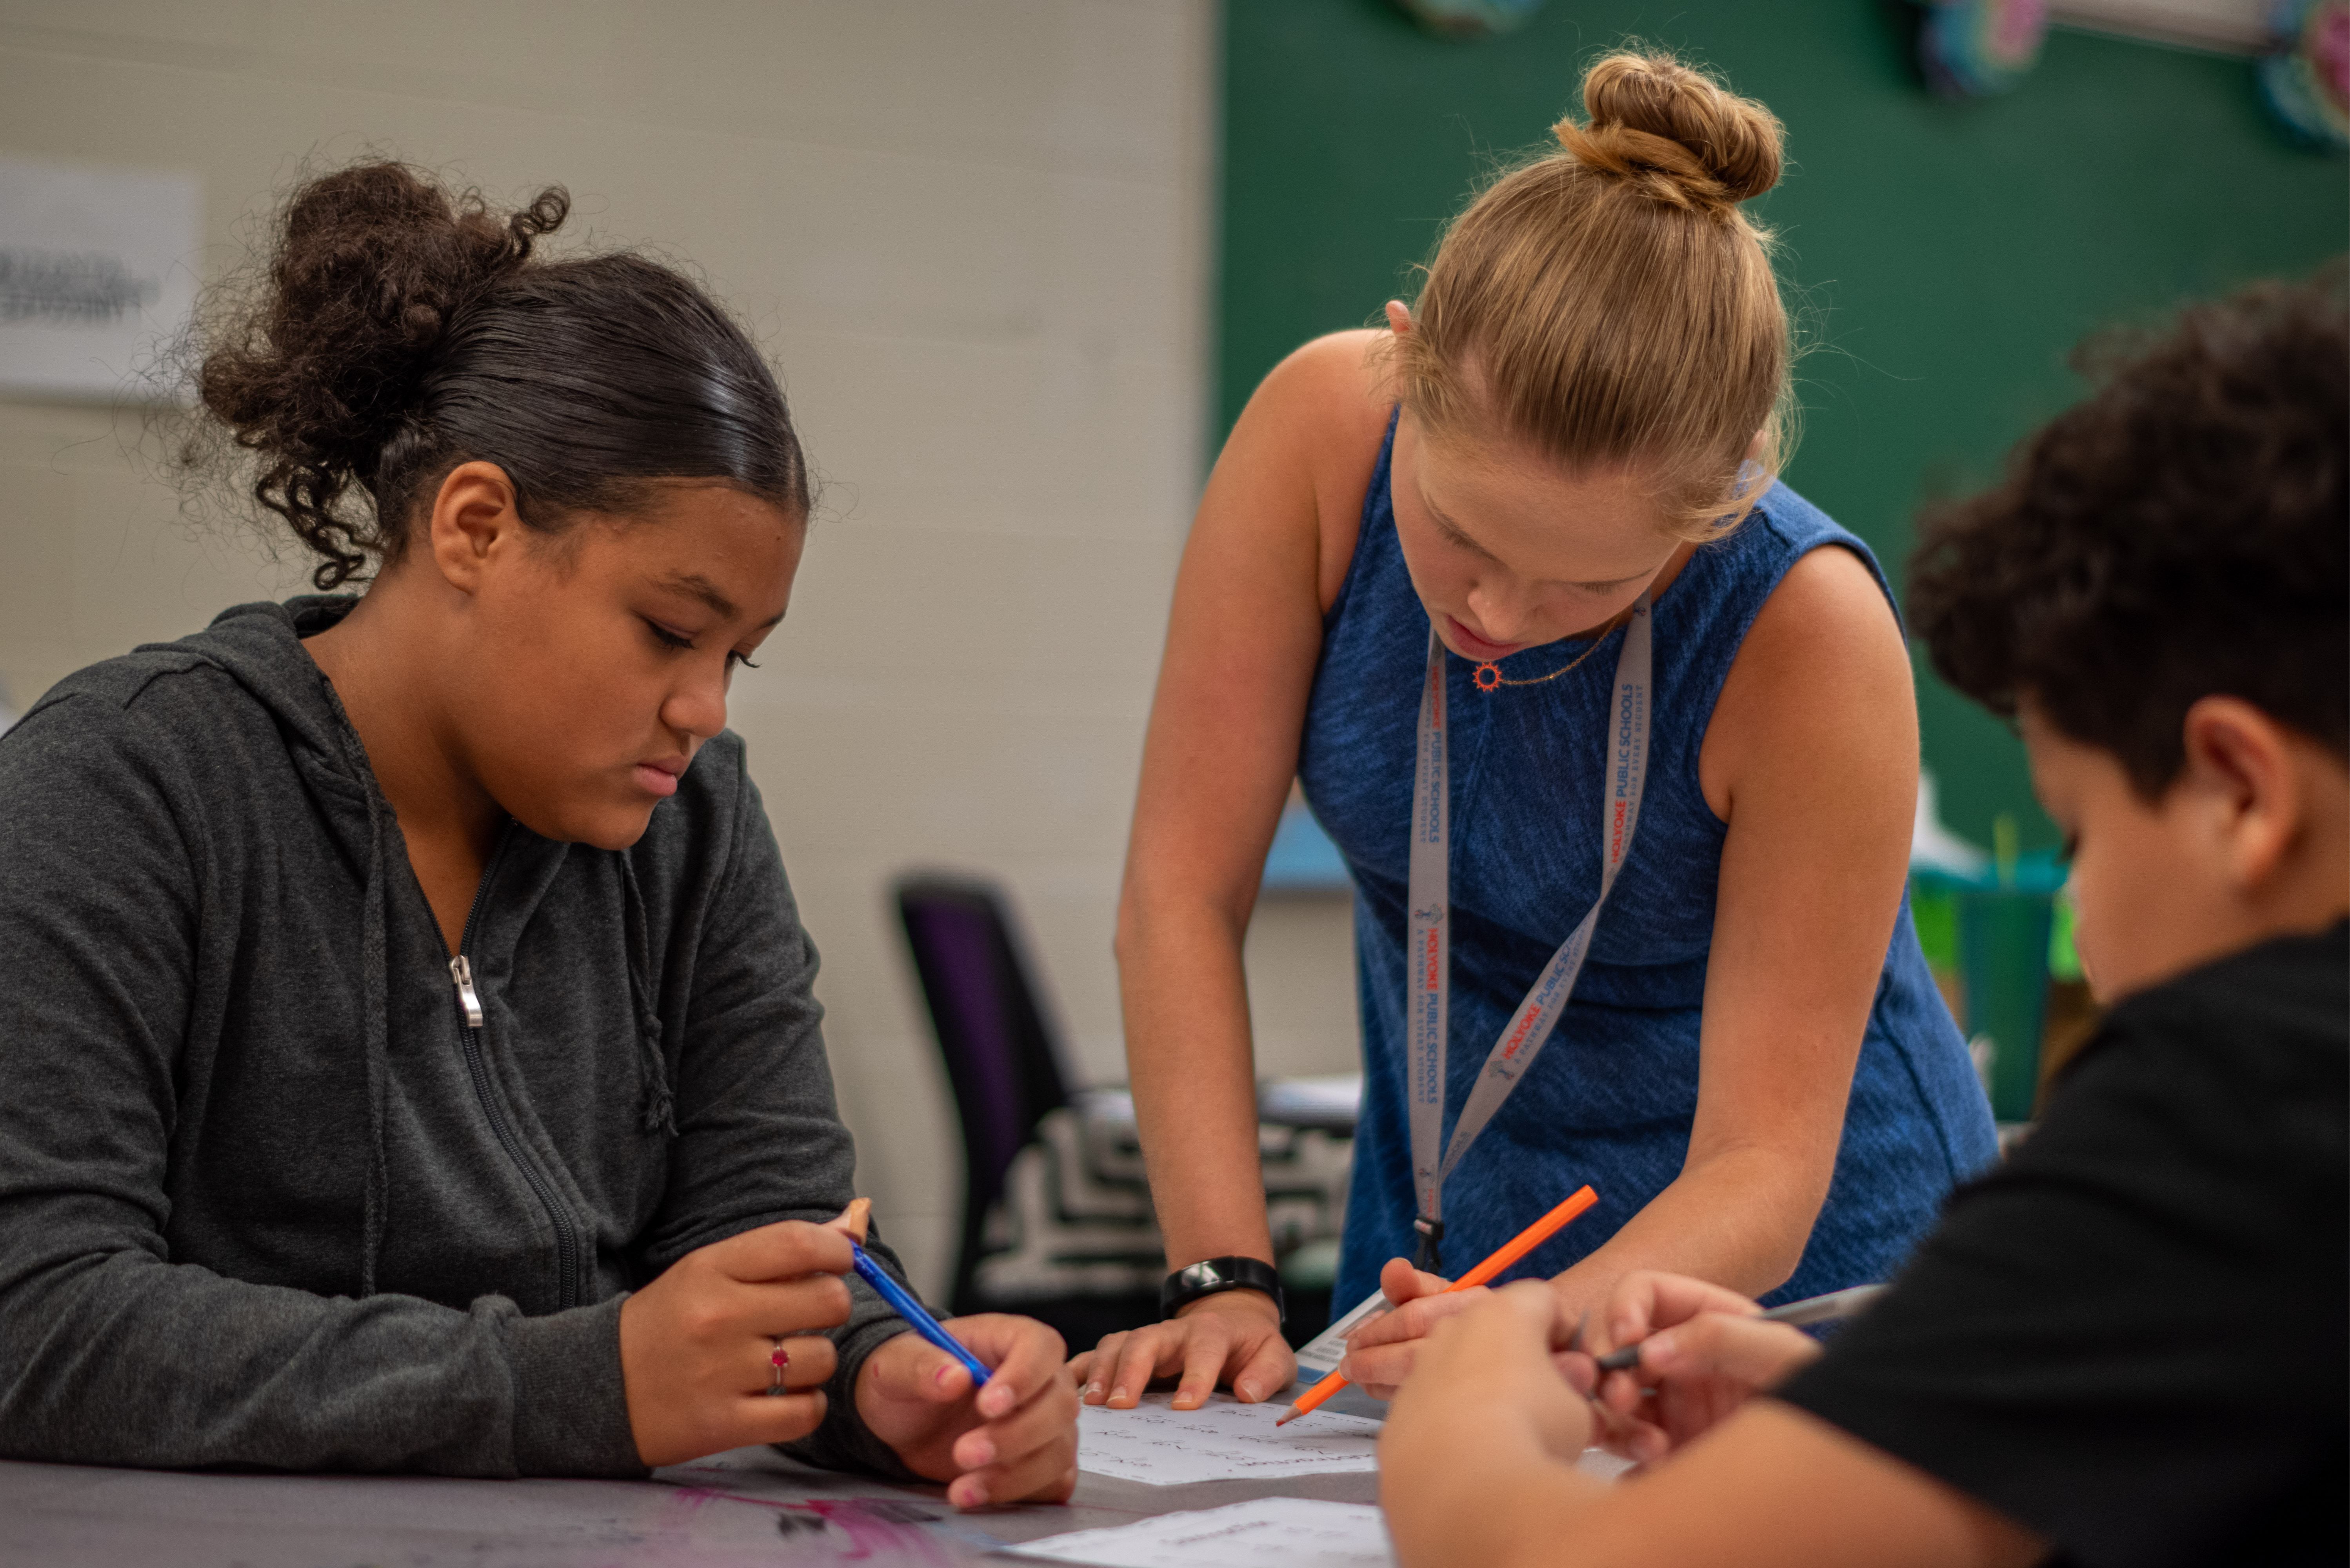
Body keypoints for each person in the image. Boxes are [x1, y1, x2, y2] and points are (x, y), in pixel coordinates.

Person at [0, 163, 1076, 1505]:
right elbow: (35, 1313)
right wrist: (577, 1383)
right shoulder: (129, 787)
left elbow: (778, 1241)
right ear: (474, 527)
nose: (701, 709)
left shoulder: (696, 824)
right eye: (671, 632)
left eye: (741, 656)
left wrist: (880, 1381)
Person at [1376, 267, 2350, 1567]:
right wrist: (1883, 1420)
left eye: (2080, 833)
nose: (2080, 910)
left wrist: (1473, 1410)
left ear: (2239, 790)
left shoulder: (2250, 1107)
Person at [1074, 50, 1994, 1412]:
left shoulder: (1810, 637)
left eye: (1591, 585)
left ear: (1728, 491)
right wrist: (1223, 1275)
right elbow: (1179, 893)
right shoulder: (1322, 437)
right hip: (1441, 1261)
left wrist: (1542, 1333)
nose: (1498, 612)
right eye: (1458, 534)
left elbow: (1766, 1167)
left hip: (1798, 1294)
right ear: (1406, 360)